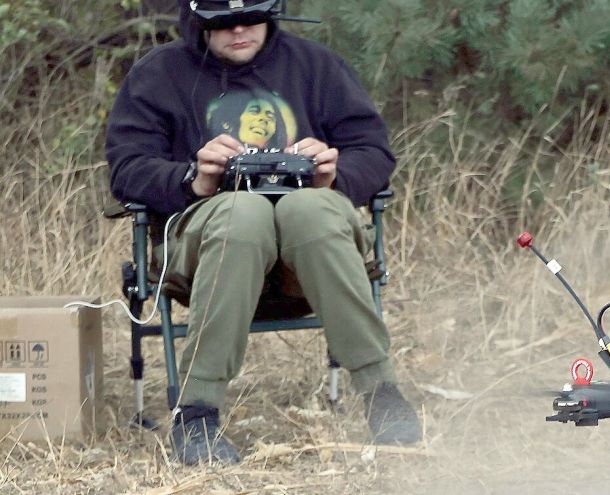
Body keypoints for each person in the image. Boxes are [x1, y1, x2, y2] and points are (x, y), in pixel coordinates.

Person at [105, 0, 421, 465]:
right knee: (242, 213)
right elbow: (127, 166)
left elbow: (374, 151)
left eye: (250, 17)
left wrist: (335, 173)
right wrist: (193, 178)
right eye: (222, 22)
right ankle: (197, 414)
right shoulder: (160, 75)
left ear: (272, 13)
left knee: (310, 210)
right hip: (211, 243)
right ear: (198, 19)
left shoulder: (317, 67)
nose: (238, 30)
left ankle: (382, 393)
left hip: (311, 253)